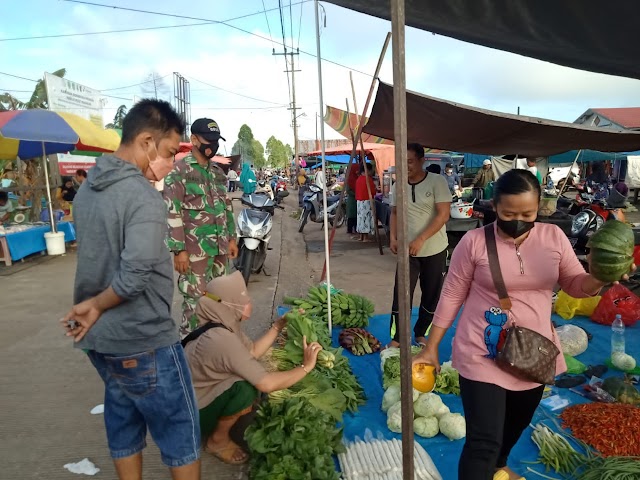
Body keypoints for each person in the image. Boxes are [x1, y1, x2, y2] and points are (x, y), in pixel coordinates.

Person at [412, 169, 631, 480]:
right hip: (481, 352)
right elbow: (451, 295)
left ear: (539, 207)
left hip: (533, 352)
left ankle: (499, 466)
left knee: (516, 423)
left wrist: (599, 278)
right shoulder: (474, 242)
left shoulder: (553, 237)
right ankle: (489, 464)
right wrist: (431, 347)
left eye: (527, 213)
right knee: (483, 441)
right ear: (494, 207)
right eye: (508, 213)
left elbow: (573, 283)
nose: (518, 220)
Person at [62, 99, 201, 480]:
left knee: (124, 427)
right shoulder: (142, 196)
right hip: (145, 338)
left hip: (103, 342)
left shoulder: (90, 189)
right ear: (146, 141)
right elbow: (134, 275)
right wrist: (96, 304)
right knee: (180, 433)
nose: (171, 164)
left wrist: (94, 308)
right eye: (170, 153)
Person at [185, 272, 323, 464]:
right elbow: (266, 383)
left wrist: (277, 327)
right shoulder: (221, 339)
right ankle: (216, 441)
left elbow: (252, 352)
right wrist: (306, 366)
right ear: (230, 303)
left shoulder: (221, 324)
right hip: (190, 416)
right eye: (243, 299)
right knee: (247, 389)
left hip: (192, 398)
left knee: (246, 378)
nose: (248, 302)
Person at [163, 118, 238, 337]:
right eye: (209, 140)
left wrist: (232, 238)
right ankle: (188, 348)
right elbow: (172, 211)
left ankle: (213, 345)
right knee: (194, 300)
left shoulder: (217, 172)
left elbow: (226, 206)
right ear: (194, 139)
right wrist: (179, 250)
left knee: (218, 297)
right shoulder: (179, 171)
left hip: (220, 248)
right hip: (194, 252)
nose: (213, 146)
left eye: (216, 141)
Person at [388, 144, 451, 348]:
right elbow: (395, 213)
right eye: (401, 161)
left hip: (434, 249)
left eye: (409, 161)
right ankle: (397, 338)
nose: (405, 166)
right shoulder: (398, 185)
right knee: (401, 294)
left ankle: (421, 333)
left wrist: (421, 238)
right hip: (407, 252)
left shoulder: (437, 182)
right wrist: (393, 238)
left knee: (431, 294)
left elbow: (443, 214)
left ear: (422, 160)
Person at [355, 163, 377, 242]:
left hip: (359, 202)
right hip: (367, 201)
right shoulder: (368, 179)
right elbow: (372, 191)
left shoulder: (359, 179)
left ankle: (361, 236)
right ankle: (365, 238)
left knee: (361, 219)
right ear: (367, 170)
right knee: (366, 219)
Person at [345, 163, 359, 237]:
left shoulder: (357, 178)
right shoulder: (350, 179)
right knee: (351, 216)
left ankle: (356, 229)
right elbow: (348, 190)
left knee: (356, 215)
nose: (357, 171)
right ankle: (350, 230)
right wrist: (356, 194)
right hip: (352, 200)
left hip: (357, 199)